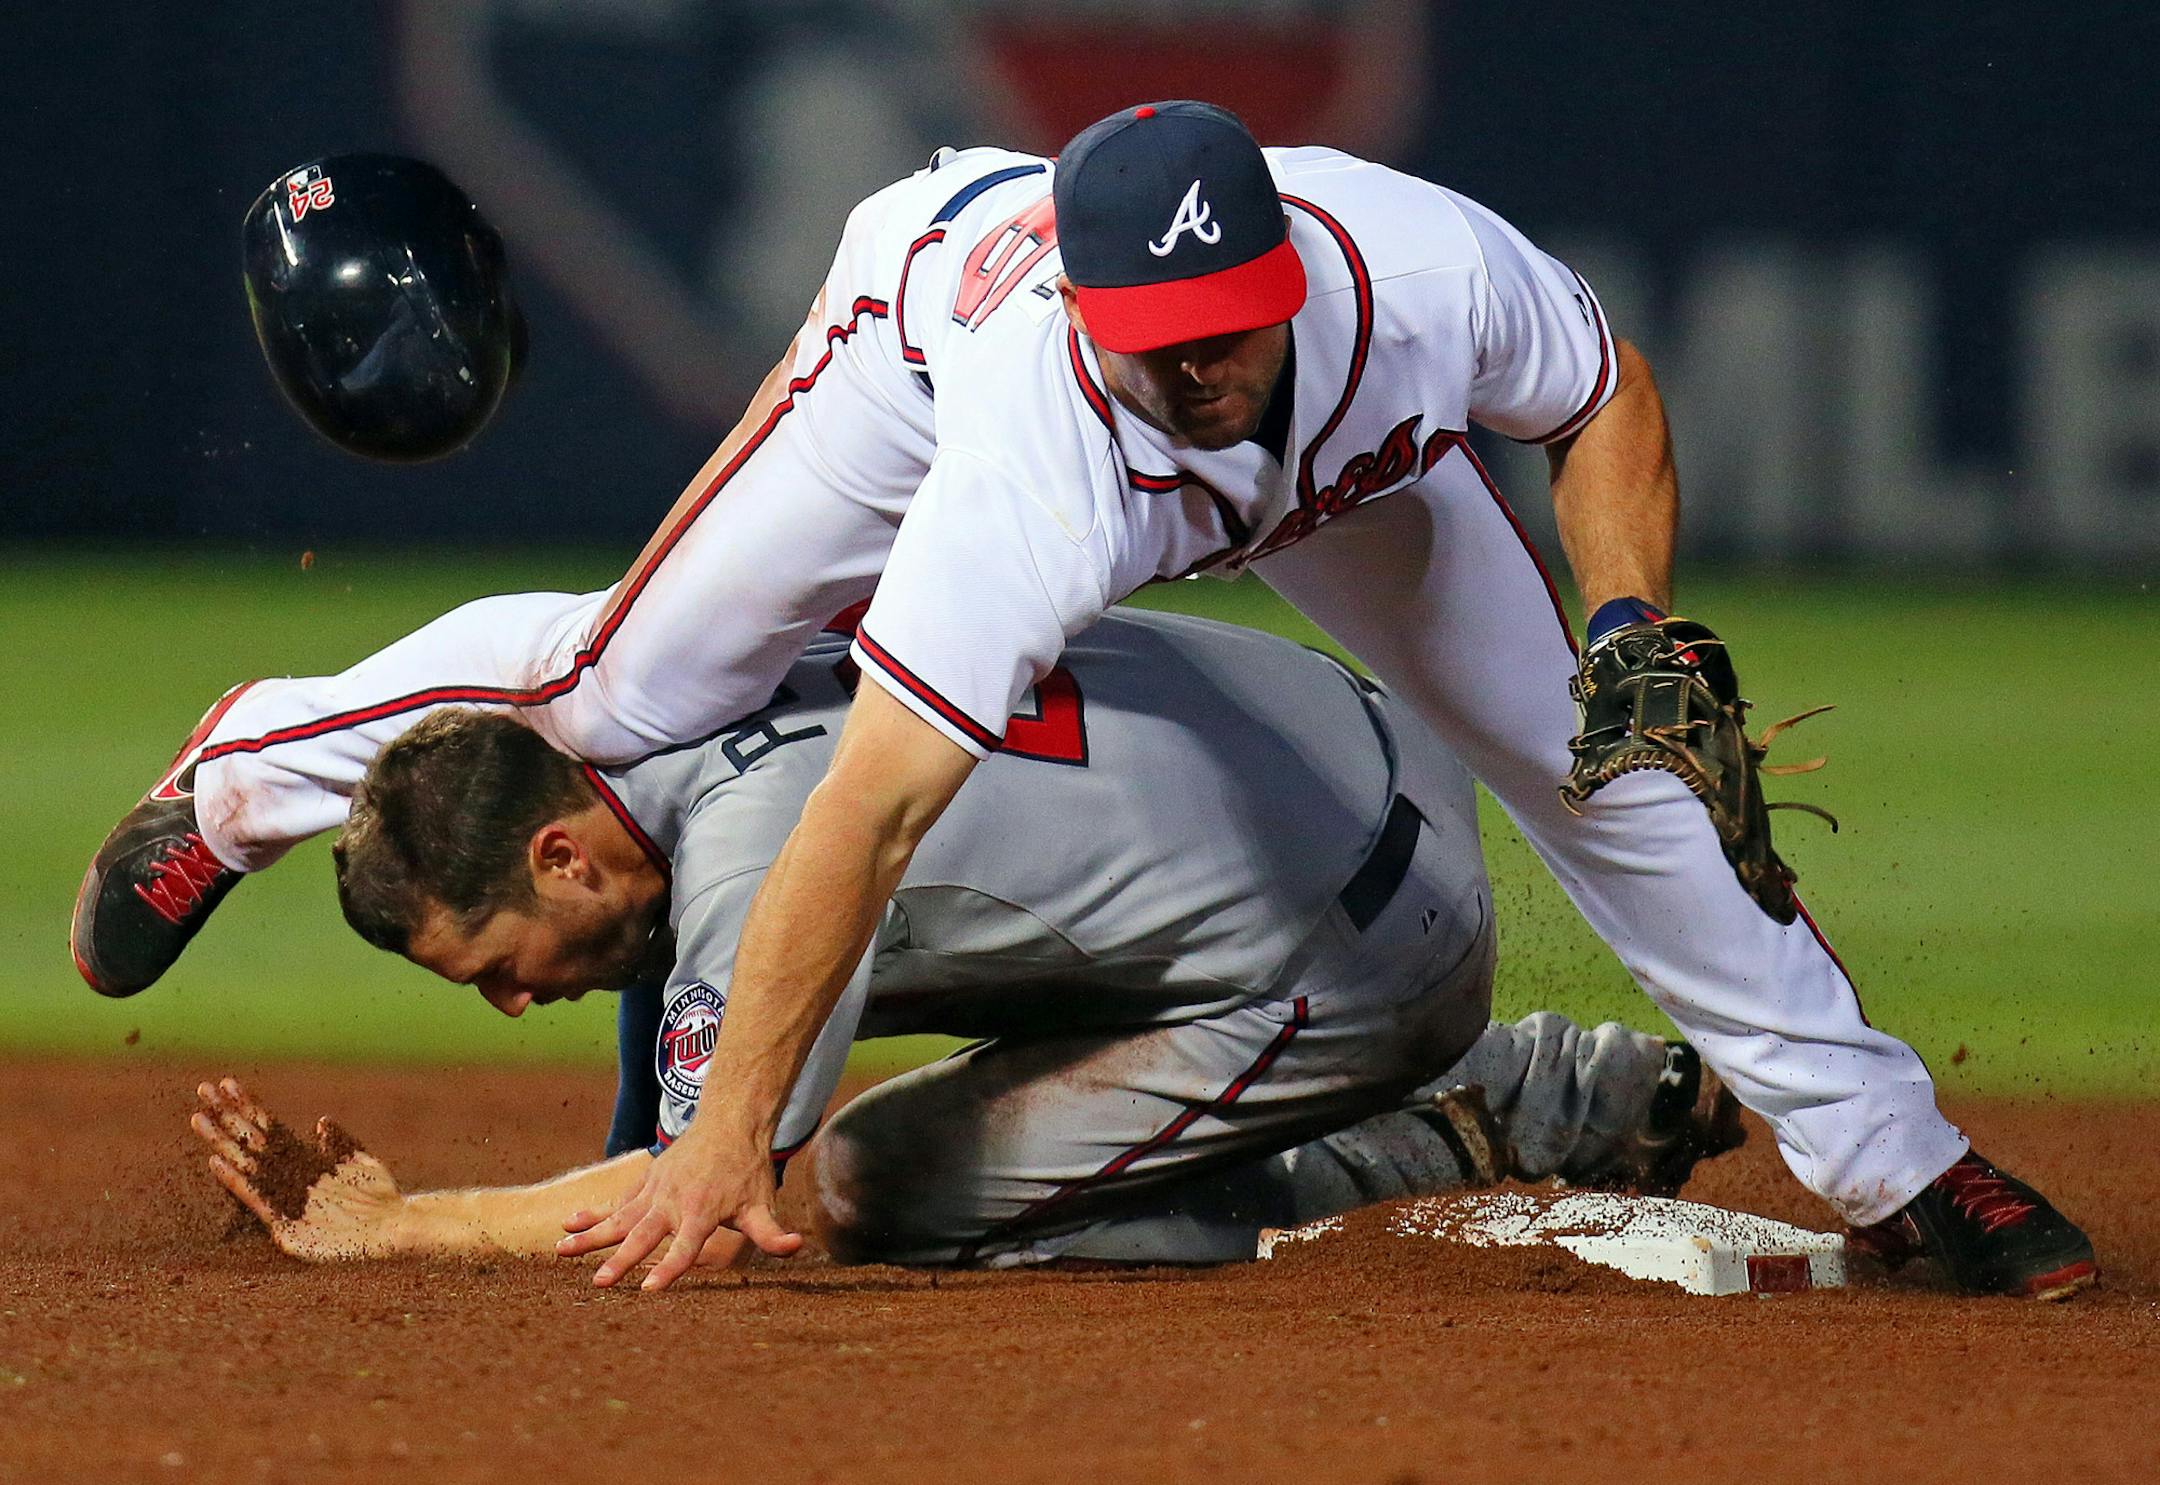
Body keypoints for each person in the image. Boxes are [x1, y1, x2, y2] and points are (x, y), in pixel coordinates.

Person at [81, 103, 2094, 1297]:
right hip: (916, 336)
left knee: (1627, 773)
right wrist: (716, 1150)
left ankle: (1910, 1166)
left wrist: (1633, 609)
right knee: (631, 681)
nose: (1195, 367)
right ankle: (247, 767)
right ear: (1098, 314)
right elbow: (863, 807)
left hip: (1346, 489)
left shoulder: (1418, 279)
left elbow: (1605, 393)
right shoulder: (1034, 461)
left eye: (1223, 336)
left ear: (1293, 275)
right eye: (1157, 344)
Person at [193, 610, 1740, 1271]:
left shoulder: (747, 858)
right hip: (1359, 753)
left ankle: (1479, 1106)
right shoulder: (671, 690)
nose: (517, 1004)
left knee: (881, 1181)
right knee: (1056, 959)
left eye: (502, 962)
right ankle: (1545, 1082)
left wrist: (403, 1226)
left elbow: (702, 1198)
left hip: (1368, 950)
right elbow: (660, 999)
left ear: (560, 849)